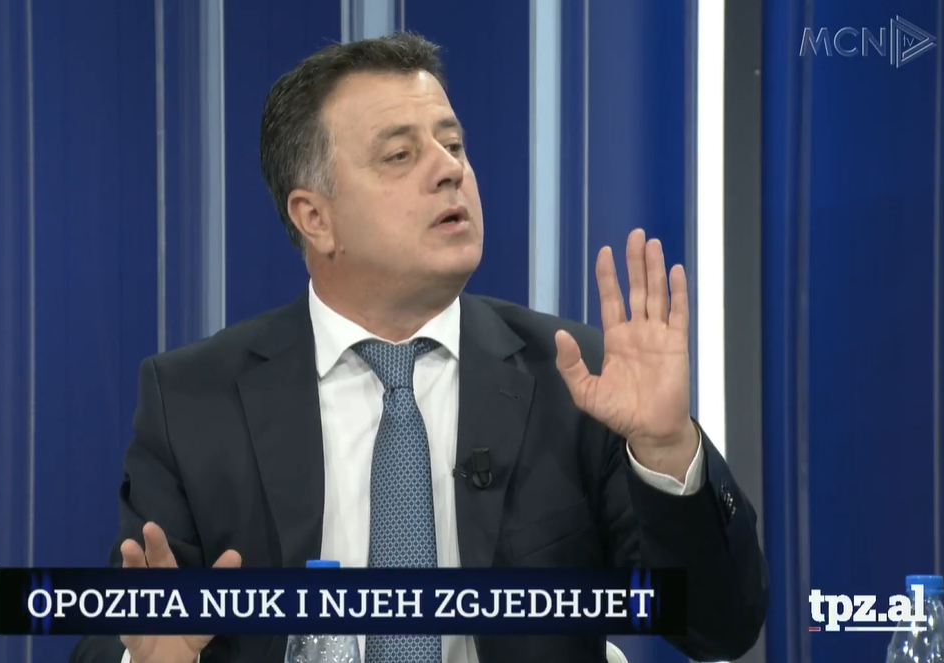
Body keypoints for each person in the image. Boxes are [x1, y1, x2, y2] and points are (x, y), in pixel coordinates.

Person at [70, 32, 767, 663]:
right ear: (315, 218)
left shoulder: (573, 379)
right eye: (400, 155)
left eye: (453, 145)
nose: (448, 170)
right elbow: (117, 632)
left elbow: (720, 626)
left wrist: (666, 449)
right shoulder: (195, 398)